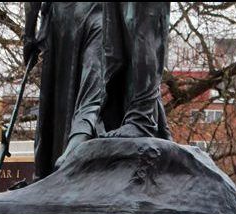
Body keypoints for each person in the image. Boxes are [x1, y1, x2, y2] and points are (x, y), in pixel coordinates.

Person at [24, 1, 171, 181]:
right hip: (86, 14)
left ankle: (83, 138)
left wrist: (29, 33)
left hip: (70, 17)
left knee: (107, 65)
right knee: (106, 65)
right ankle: (84, 137)